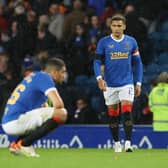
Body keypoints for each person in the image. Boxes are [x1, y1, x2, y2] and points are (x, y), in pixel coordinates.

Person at [93, 14, 143, 152]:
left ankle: (127, 143)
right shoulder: (103, 42)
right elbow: (97, 62)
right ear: (110, 26)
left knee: (127, 111)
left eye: (119, 26)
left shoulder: (131, 42)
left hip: (126, 83)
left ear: (124, 27)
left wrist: (138, 82)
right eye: (114, 26)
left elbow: (138, 63)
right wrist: (99, 78)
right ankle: (116, 143)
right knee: (113, 115)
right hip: (109, 84)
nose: (116, 28)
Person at [1, 58, 68, 157]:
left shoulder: (36, 76)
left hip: (8, 121)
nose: (64, 75)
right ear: (54, 72)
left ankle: (16, 144)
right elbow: (58, 104)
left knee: (49, 116)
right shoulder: (45, 77)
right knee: (62, 114)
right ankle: (25, 144)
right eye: (62, 72)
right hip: (16, 120)